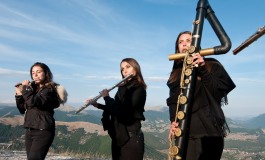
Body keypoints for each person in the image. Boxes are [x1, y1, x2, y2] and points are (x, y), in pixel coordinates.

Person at [167, 31, 236, 160]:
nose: (184, 45)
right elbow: (172, 102)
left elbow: (216, 92)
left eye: (188, 41)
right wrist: (173, 121)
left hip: (208, 134)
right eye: (180, 42)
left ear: (196, 44)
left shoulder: (211, 65)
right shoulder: (176, 73)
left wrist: (202, 68)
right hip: (184, 135)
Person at [87, 58, 147, 160]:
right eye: (122, 69)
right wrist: (97, 105)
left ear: (136, 69)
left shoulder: (139, 89)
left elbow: (123, 113)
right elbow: (115, 108)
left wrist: (106, 97)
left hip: (131, 140)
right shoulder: (123, 88)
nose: (124, 71)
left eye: (128, 67)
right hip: (120, 137)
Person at [15, 62, 67, 160]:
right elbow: (22, 109)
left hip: (43, 130)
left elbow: (33, 102)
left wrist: (25, 88)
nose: (35, 74)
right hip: (30, 130)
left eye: (38, 72)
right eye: (33, 72)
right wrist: (18, 95)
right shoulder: (32, 90)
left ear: (46, 73)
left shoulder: (50, 89)